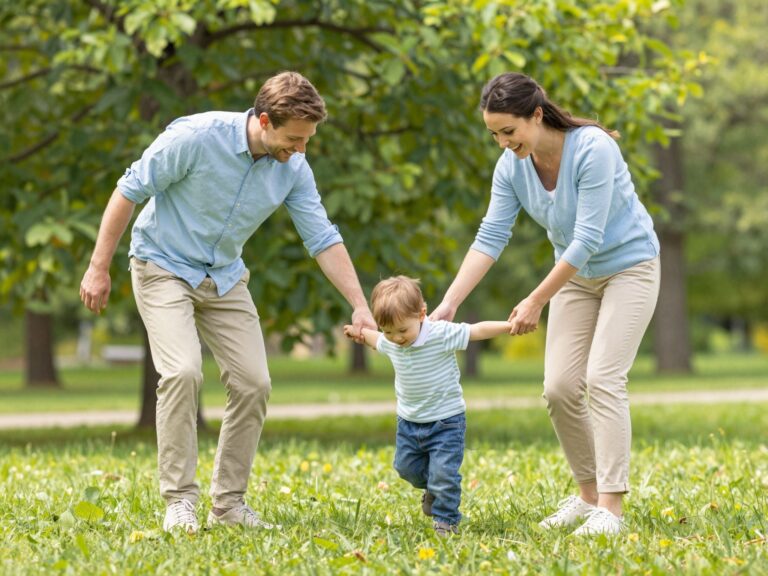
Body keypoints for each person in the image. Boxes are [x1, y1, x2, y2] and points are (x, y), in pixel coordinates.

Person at [79, 71, 376, 534]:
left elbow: (321, 236)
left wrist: (359, 304)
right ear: (263, 120)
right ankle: (179, 500)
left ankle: (229, 504)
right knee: (182, 372)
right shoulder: (196, 138)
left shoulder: (294, 167)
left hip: (223, 276)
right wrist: (99, 266)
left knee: (255, 382)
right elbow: (129, 190)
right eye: (295, 139)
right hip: (162, 264)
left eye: (308, 140)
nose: (302, 150)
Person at [430, 72, 661, 536]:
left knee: (603, 378)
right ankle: (588, 496)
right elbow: (490, 237)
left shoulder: (594, 149)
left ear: (536, 115)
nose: (501, 142)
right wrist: (449, 305)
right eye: (493, 133)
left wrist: (536, 299)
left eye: (508, 131)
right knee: (558, 387)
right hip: (576, 278)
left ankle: (611, 509)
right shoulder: (511, 167)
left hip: (630, 267)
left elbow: (588, 239)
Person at [344, 275, 513, 536]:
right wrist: (359, 333)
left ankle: (446, 520)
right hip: (409, 422)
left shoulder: (440, 334)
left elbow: (476, 330)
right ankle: (434, 488)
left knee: (444, 473)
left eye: (402, 330)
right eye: (389, 331)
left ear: (422, 314)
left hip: (446, 421)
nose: (397, 338)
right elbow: (374, 338)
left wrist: (508, 326)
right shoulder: (390, 341)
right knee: (405, 468)